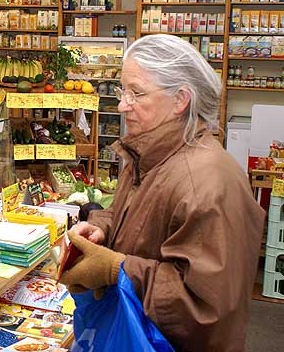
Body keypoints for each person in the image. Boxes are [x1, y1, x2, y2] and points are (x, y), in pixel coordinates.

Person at [61, 34, 265, 351]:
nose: (122, 105)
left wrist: (116, 270)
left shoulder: (208, 182)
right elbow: (138, 216)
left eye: (136, 93)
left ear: (180, 100)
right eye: (122, 91)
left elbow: (204, 309)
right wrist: (102, 228)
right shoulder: (150, 155)